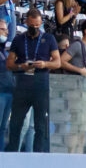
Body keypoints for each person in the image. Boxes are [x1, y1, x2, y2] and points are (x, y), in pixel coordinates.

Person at [6, 8, 61, 152]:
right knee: (16, 123)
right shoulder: (18, 39)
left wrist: (45, 64)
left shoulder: (49, 38)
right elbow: (9, 63)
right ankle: (12, 154)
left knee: (40, 125)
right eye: (32, 25)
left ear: (41, 23)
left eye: (37, 26)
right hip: (22, 84)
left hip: (41, 84)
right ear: (26, 22)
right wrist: (20, 66)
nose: (35, 28)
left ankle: (38, 157)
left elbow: (57, 62)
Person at [0, 19, 13, 150]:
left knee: (3, 128)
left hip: (9, 92)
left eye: (7, 30)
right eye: (3, 29)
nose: (6, 32)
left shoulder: (5, 51)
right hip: (0, 93)